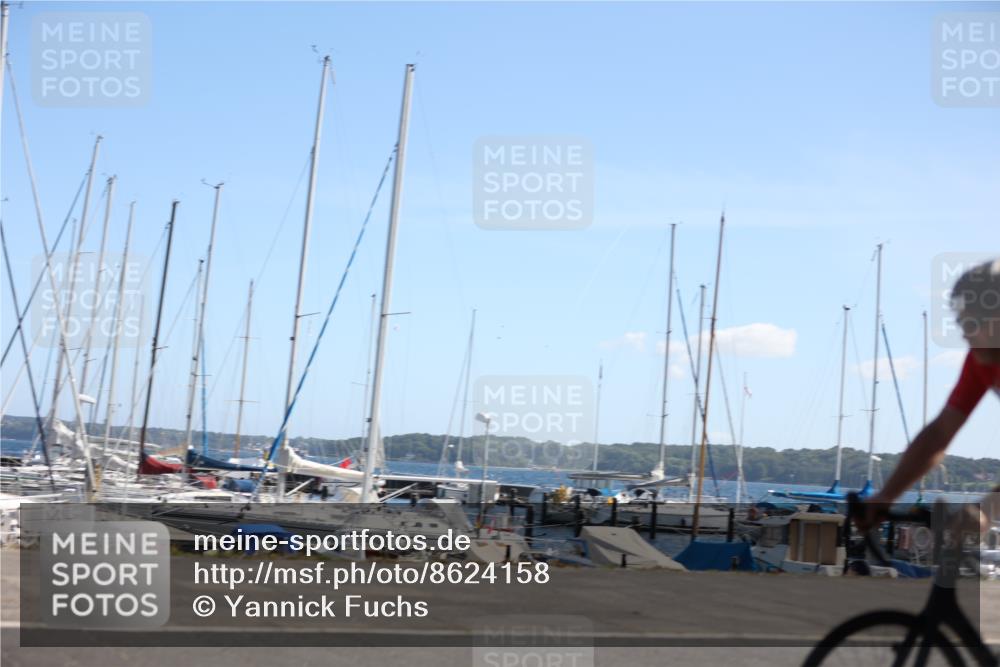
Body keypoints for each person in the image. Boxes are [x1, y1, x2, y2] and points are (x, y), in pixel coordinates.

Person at [861, 258, 1000, 529]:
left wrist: (987, 509)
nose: (965, 336)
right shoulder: (981, 359)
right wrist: (886, 496)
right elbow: (939, 433)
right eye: (961, 325)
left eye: (971, 325)